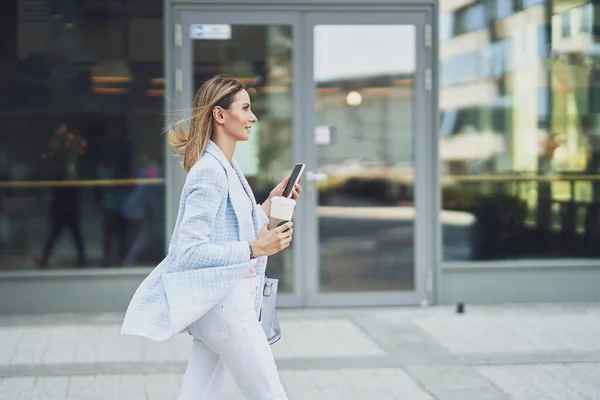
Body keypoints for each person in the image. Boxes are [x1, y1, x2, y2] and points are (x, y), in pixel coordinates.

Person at [121, 75, 301, 399]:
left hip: (217, 305)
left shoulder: (226, 167)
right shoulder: (210, 171)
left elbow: (233, 228)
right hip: (227, 307)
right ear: (220, 115)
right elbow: (189, 251)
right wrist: (255, 248)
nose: (253, 117)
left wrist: (269, 204)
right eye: (245, 108)